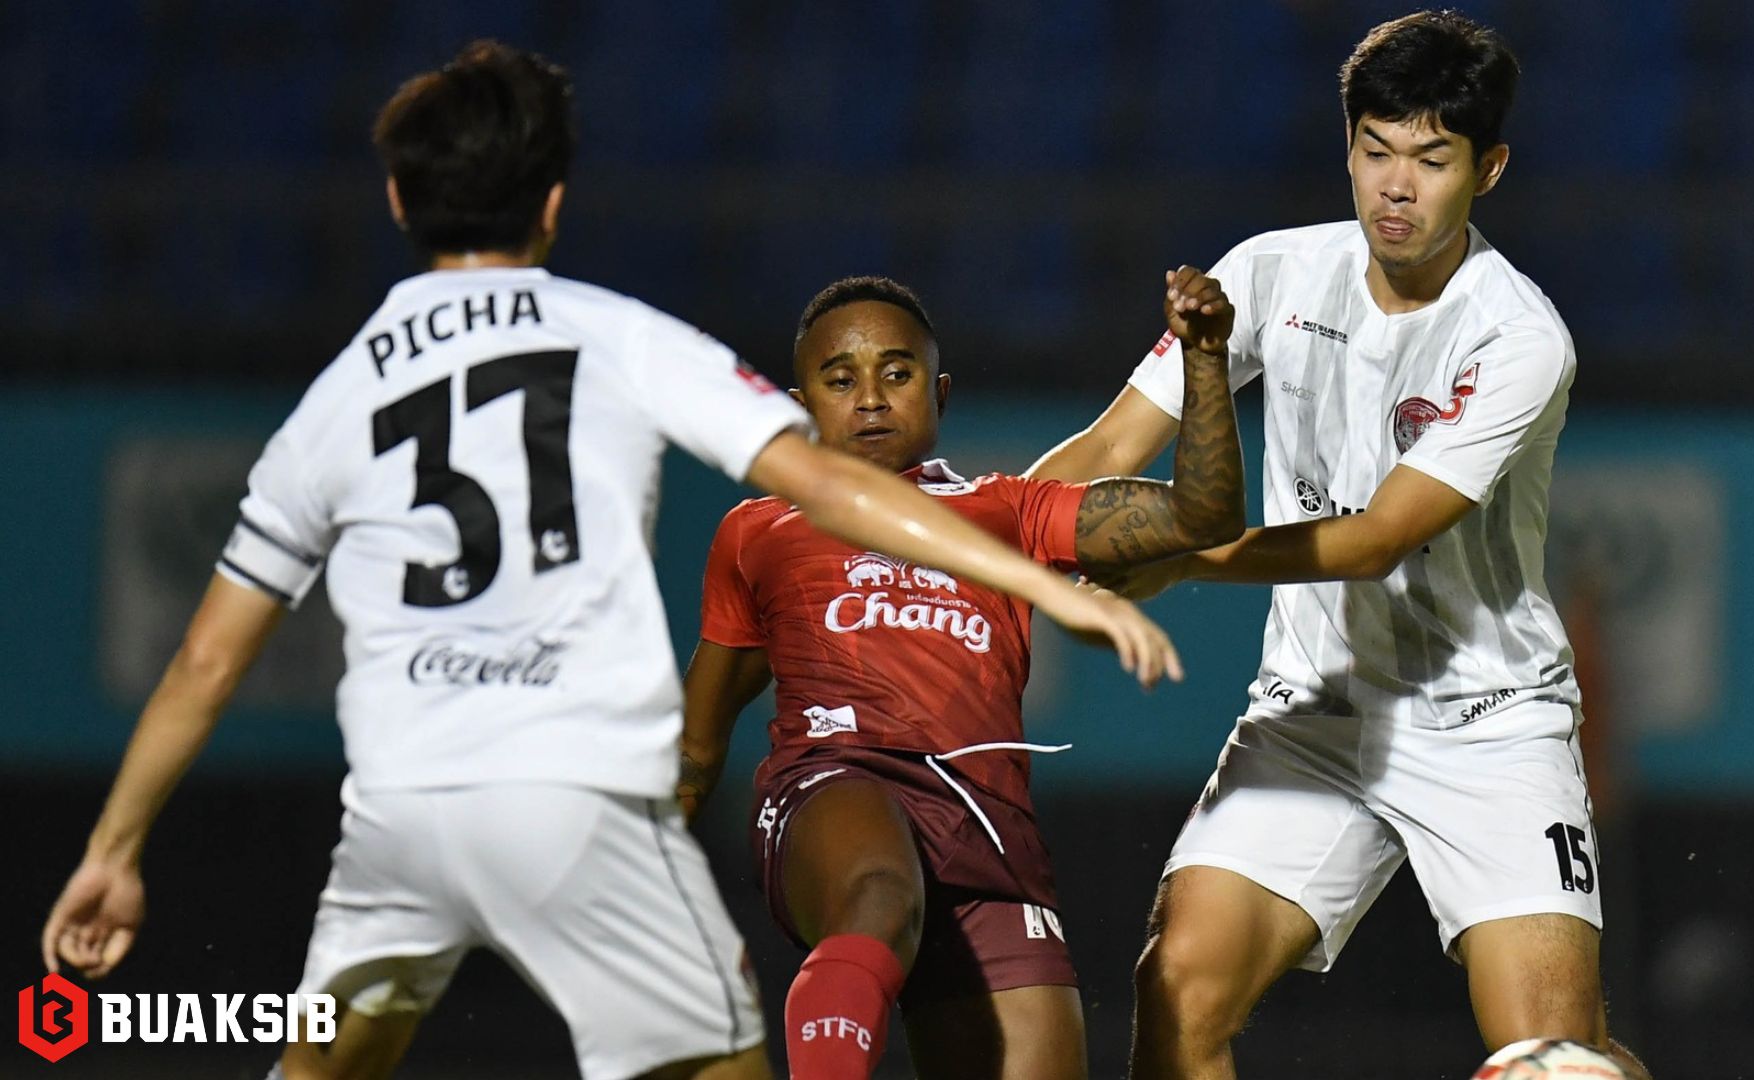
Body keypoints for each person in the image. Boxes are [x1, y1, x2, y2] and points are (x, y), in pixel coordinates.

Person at [37, 41, 1181, 1080]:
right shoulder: (614, 335)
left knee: (325, 1066)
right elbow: (830, 485)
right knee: (725, 1061)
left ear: (396, 200)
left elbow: (203, 661)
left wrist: (112, 850)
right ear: (551, 201)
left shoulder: (338, 397)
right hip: (570, 796)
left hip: (399, 809)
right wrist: (1030, 580)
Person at [1027, 11, 1653, 1079]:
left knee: (1554, 1057)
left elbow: (1376, 540)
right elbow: (1105, 450)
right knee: (1177, 993)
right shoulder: (1269, 274)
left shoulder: (1518, 335)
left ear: (1489, 169)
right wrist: (960, 534)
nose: (1396, 187)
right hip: (1312, 713)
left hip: (1489, 725)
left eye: (1432, 159)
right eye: (1375, 150)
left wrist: (1180, 557)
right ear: (1348, 148)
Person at [678, 270, 1242, 1079]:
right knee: (880, 892)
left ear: (940, 393)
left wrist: (1206, 360)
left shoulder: (1008, 509)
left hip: (986, 832)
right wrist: (643, 876)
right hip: (838, 781)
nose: (871, 399)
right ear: (800, 408)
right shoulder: (759, 530)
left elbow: (1204, 516)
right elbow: (698, 742)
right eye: (840, 380)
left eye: (896, 373)